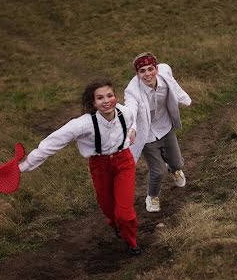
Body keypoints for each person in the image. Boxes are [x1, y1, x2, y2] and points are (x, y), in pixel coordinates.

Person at [18, 79, 143, 255]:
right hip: (100, 166)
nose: (106, 101)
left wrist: (133, 130)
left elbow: (133, 119)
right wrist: (23, 166)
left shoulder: (125, 113)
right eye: (100, 98)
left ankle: (131, 242)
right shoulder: (83, 124)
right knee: (108, 207)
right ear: (93, 102)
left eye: (110, 95)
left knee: (124, 212)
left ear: (116, 96)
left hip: (124, 162)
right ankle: (116, 224)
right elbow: (53, 143)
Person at [124, 52, 192, 213]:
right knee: (158, 171)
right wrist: (132, 128)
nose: (147, 74)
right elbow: (130, 110)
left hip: (164, 126)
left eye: (150, 69)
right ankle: (152, 196)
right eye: (142, 71)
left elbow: (173, 84)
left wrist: (184, 99)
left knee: (177, 163)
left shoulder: (164, 73)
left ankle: (175, 170)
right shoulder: (132, 91)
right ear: (137, 73)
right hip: (146, 135)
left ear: (156, 69)